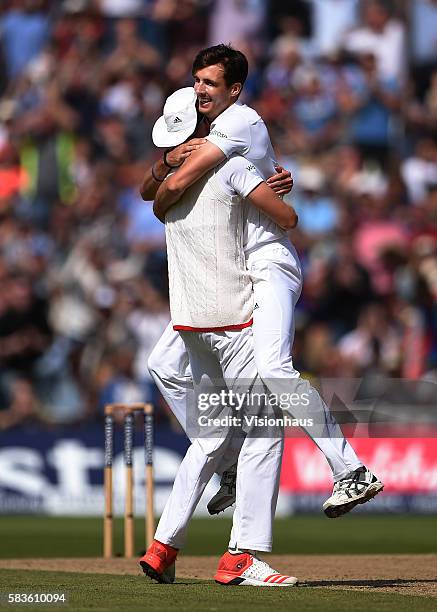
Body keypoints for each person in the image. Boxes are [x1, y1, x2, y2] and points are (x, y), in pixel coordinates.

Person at [144, 44, 383, 521]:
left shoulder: (241, 122)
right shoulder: (216, 130)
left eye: (209, 83)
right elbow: (155, 184)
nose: (198, 90)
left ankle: (351, 470)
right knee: (163, 363)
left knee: (275, 369)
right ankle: (229, 463)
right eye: (196, 80)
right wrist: (168, 163)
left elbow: (168, 190)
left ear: (234, 90)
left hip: (268, 263)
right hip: (230, 272)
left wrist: (172, 166)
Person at [139, 86, 299, 587]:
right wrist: (273, 186)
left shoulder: (169, 190)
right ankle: (241, 557)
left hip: (190, 326)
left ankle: (163, 548)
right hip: (232, 320)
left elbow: (153, 194)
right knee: (265, 429)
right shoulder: (231, 167)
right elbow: (288, 220)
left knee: (209, 434)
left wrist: (168, 162)